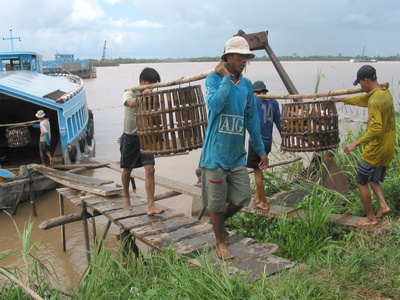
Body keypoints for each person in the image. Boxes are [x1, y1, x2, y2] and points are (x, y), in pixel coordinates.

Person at [200, 36, 269, 259]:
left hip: (236, 155)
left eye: (247, 57)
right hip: (215, 155)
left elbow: (252, 120)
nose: (244, 61)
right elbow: (215, 105)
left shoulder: (247, 86)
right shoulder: (212, 79)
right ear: (228, 57)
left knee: (241, 198)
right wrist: (225, 79)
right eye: (240, 56)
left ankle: (218, 225)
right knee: (217, 201)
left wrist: (261, 149)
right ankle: (220, 241)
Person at [331, 65, 395, 226]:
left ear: (366, 80)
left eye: (360, 83)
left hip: (376, 149)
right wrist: (342, 100)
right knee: (374, 179)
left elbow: (376, 129)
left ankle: (370, 217)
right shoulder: (384, 93)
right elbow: (362, 99)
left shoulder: (375, 100)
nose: (360, 87)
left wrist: (355, 143)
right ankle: (384, 206)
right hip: (388, 148)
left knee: (361, 181)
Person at [120, 67, 165, 215]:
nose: (152, 89)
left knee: (150, 169)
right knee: (127, 170)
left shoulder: (152, 97)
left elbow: (156, 117)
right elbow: (131, 102)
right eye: (151, 85)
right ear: (143, 82)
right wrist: (142, 96)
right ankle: (126, 197)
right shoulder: (130, 92)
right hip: (130, 137)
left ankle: (151, 206)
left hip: (145, 136)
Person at [246, 81, 281, 211]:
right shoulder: (274, 102)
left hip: (256, 142)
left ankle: (264, 202)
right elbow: (279, 123)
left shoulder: (254, 101)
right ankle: (257, 197)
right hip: (267, 143)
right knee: (260, 168)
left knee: (257, 172)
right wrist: (284, 140)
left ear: (255, 92)